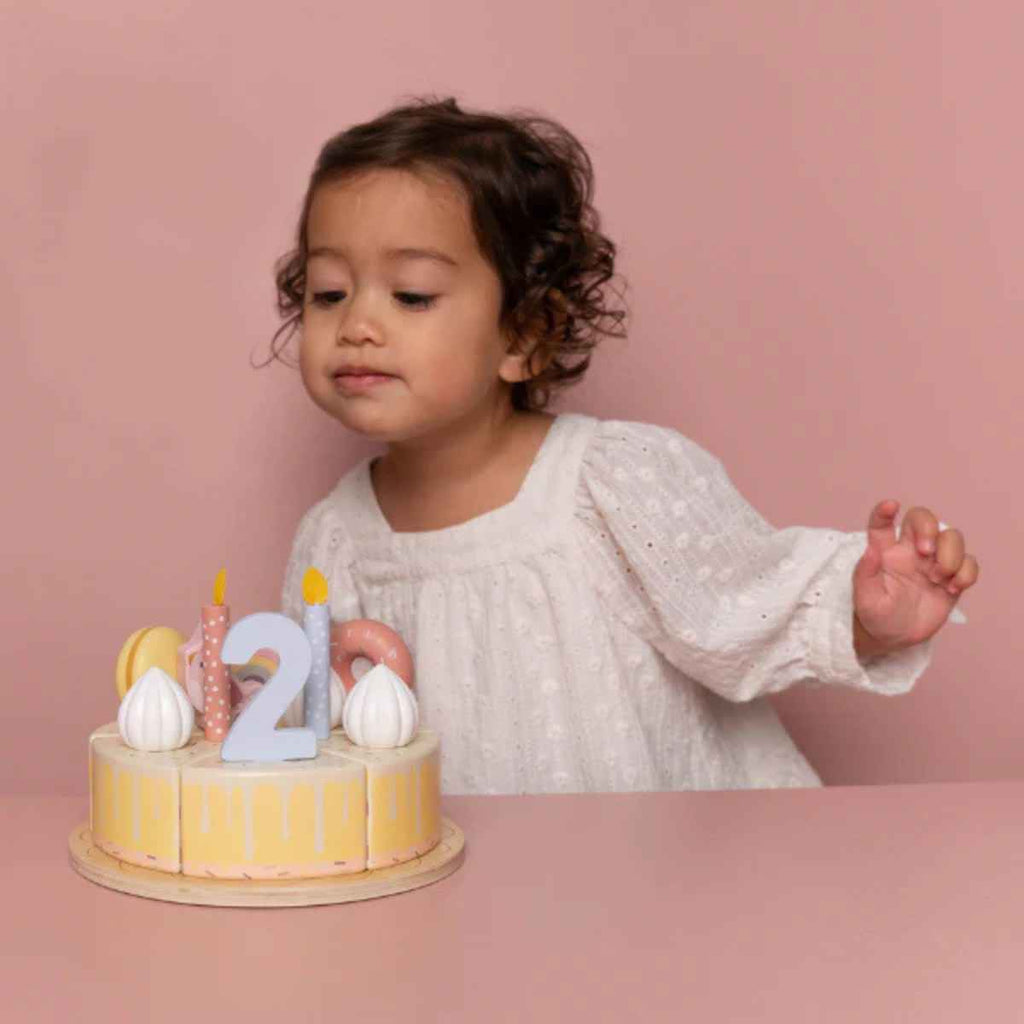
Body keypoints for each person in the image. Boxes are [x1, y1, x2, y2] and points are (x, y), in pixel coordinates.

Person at [269, 97, 979, 795]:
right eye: (329, 293)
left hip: (677, 880)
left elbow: (746, 612)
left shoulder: (609, 486)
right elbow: (329, 755)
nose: (357, 322)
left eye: (412, 295)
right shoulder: (334, 542)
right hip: (471, 895)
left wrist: (865, 616)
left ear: (522, 336)